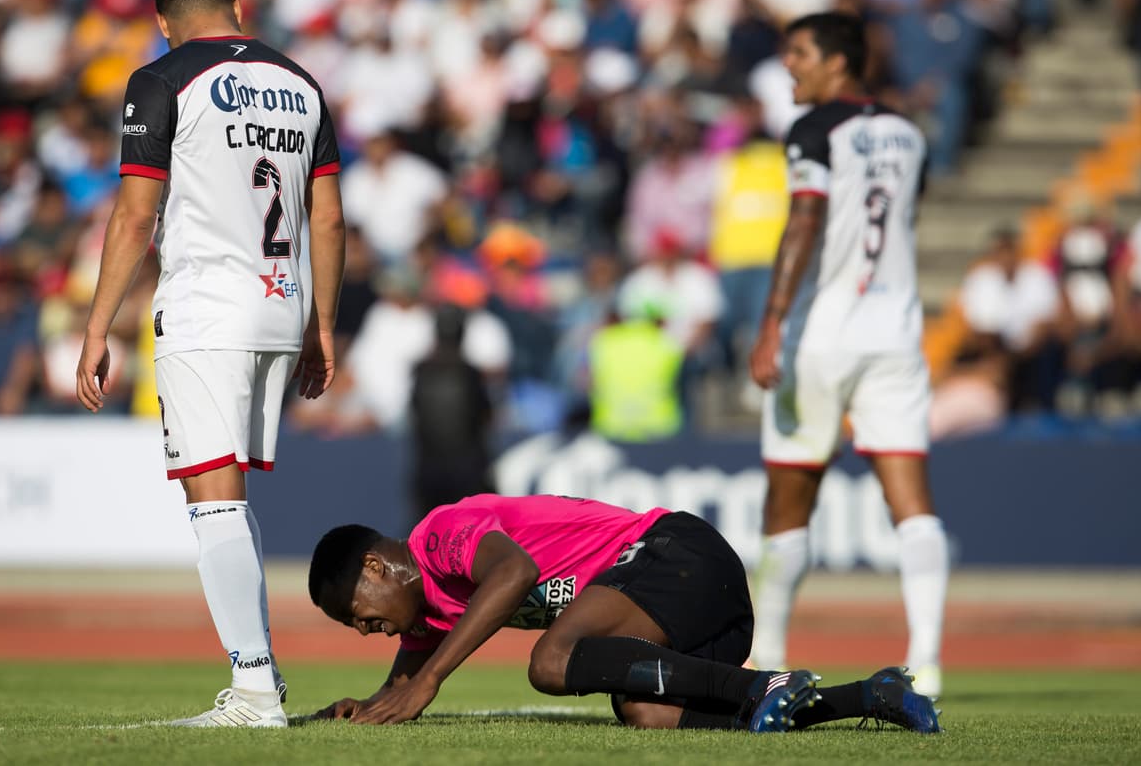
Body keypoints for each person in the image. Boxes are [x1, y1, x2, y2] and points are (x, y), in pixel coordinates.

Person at [74, 0, 345, 728]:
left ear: (163, 20)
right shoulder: (301, 82)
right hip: (283, 308)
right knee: (229, 496)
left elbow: (134, 216)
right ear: (237, 4)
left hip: (206, 307)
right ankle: (258, 676)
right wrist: (322, 325)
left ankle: (255, 689)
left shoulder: (162, 79)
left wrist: (96, 326)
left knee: (211, 498)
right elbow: (326, 216)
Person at [305, 493, 940, 733]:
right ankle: (872, 696)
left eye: (356, 614)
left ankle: (762, 681)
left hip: (681, 552)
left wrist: (432, 681)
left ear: (373, 567)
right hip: (704, 605)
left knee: (550, 660)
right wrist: (358, 707)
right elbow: (400, 688)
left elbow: (515, 573)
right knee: (649, 712)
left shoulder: (438, 536)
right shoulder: (429, 615)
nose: (365, 629)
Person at [748, 12, 948, 699]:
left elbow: (805, 219)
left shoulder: (813, 129)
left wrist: (772, 322)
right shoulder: (909, 132)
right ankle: (927, 657)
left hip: (823, 335)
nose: (789, 66)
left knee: (789, 495)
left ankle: (766, 653)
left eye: (799, 53)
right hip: (894, 331)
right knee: (912, 502)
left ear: (839, 62)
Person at [407, 305, 495, 522]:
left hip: (429, 469)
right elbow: (486, 416)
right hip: (467, 470)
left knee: (428, 534)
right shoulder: (470, 373)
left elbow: (414, 413)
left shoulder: (420, 372)